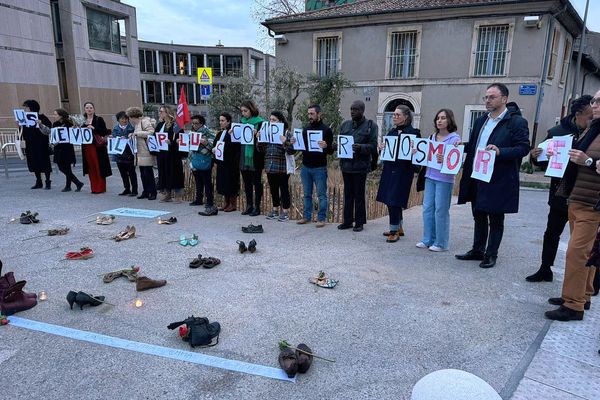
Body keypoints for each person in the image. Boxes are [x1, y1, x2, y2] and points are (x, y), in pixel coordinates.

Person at [456, 83, 530, 268]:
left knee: (496, 217)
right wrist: (459, 146)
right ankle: (477, 249)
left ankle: (491, 254)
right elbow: (474, 145)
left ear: (504, 99)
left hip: (499, 177)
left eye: (492, 97)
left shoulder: (516, 122)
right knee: (478, 213)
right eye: (486, 97)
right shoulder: (482, 120)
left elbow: (523, 148)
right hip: (477, 174)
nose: (487, 100)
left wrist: (500, 151)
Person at [525, 95, 593, 282]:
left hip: (586, 195)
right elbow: (542, 161)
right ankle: (545, 269)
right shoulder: (557, 131)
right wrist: (535, 156)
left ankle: (590, 283)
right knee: (552, 232)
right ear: (578, 114)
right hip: (561, 192)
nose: (592, 119)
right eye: (589, 115)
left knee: (585, 242)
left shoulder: (595, 133)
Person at [545, 91, 600, 321]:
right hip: (577, 198)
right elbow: (576, 157)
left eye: (598, 101)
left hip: (592, 203)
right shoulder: (592, 128)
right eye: (594, 101)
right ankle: (581, 295)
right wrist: (555, 153)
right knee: (585, 253)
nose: (594, 105)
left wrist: (587, 161)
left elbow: (588, 161)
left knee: (577, 253)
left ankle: (573, 305)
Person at [415, 109, 461, 251]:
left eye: (443, 118)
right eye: (438, 118)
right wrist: (416, 152)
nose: (439, 120)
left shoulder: (455, 140)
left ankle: (441, 242)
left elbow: (457, 161)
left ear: (449, 120)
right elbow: (424, 155)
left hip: (445, 179)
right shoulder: (431, 137)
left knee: (440, 210)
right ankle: (427, 239)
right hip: (430, 176)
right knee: (427, 208)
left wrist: (446, 158)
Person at [376, 105, 421, 243]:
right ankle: (398, 227)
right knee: (389, 198)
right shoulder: (391, 132)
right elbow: (386, 153)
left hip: (403, 171)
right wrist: (381, 149)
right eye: (394, 115)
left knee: (394, 200)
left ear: (406, 117)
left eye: (397, 115)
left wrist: (416, 152)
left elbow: (419, 152)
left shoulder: (414, 133)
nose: (394, 117)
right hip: (390, 169)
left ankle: (394, 230)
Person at [338, 100, 378, 232]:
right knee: (348, 194)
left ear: (362, 110)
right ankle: (347, 221)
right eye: (351, 109)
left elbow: (373, 146)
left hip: (360, 166)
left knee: (359, 195)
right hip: (346, 166)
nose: (352, 112)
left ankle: (359, 222)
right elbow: (341, 143)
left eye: (355, 109)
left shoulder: (371, 126)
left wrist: (361, 147)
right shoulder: (345, 125)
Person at [292, 105, 333, 227]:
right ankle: (306, 216)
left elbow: (331, 151)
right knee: (307, 194)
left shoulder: (326, 130)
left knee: (321, 195)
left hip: (320, 167)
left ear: (319, 114)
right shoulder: (306, 129)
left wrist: (326, 146)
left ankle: (321, 218)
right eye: (308, 114)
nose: (309, 116)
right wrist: (295, 142)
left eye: (312, 114)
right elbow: (301, 147)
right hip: (306, 167)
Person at [260, 111, 294, 222]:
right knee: (273, 188)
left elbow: (292, 150)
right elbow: (260, 149)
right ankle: (275, 209)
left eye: (274, 120)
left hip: (282, 166)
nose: (271, 122)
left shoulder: (287, 133)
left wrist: (285, 142)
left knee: (283, 188)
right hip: (270, 165)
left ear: (280, 121)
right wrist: (259, 139)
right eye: (270, 120)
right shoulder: (267, 132)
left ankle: (285, 211)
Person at [239, 100, 265, 216]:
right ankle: (249, 205)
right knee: (247, 183)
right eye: (242, 111)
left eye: (245, 111)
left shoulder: (260, 123)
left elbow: (264, 141)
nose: (243, 113)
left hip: (255, 157)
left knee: (256, 182)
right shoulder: (242, 122)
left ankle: (257, 207)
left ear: (251, 110)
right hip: (244, 156)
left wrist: (258, 135)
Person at [188, 115, 217, 216]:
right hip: (195, 158)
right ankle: (198, 199)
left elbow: (214, 142)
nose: (194, 125)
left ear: (201, 123)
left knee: (207, 181)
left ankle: (209, 201)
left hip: (205, 158)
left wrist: (206, 142)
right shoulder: (192, 132)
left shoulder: (207, 131)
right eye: (193, 123)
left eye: (196, 123)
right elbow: (188, 143)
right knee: (197, 180)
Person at [20, 100, 52, 189]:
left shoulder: (42, 117)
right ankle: (38, 181)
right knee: (33, 162)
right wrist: (20, 124)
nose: (25, 109)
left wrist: (40, 123)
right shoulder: (25, 118)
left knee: (45, 162)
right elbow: (23, 131)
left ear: (31, 108)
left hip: (41, 144)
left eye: (26, 107)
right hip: (30, 144)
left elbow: (49, 128)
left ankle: (48, 181)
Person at [126, 107, 157, 200]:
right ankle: (146, 191)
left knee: (148, 173)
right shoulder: (137, 124)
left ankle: (152, 192)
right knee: (143, 173)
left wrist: (137, 133)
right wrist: (133, 134)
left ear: (132, 116)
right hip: (140, 151)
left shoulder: (144, 122)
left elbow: (151, 132)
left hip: (146, 150)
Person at [156, 105, 184, 203]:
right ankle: (167, 194)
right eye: (160, 111)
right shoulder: (160, 125)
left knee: (174, 173)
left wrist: (172, 143)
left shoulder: (175, 125)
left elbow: (181, 139)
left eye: (162, 111)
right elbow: (156, 136)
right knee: (164, 173)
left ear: (167, 113)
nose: (160, 113)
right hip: (162, 153)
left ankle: (178, 195)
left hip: (173, 154)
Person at [82, 101, 112, 194]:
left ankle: (100, 187)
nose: (89, 109)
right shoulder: (82, 120)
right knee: (91, 167)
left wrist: (94, 128)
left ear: (94, 109)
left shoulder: (99, 119)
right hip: (87, 146)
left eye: (91, 107)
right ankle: (94, 187)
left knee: (98, 166)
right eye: (87, 108)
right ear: (84, 109)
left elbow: (104, 131)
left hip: (97, 147)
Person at [51, 108, 84, 192]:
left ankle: (69, 186)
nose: (54, 116)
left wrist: (74, 125)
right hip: (58, 147)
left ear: (61, 115)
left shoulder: (69, 123)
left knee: (67, 167)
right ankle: (77, 183)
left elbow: (77, 128)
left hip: (67, 147)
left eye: (56, 114)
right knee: (61, 167)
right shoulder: (55, 124)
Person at [214, 112, 241, 212]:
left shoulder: (233, 132)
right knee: (223, 182)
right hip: (222, 162)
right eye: (220, 120)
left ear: (228, 121)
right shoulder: (220, 133)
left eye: (223, 120)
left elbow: (235, 147)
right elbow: (216, 144)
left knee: (231, 182)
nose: (220, 122)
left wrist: (230, 136)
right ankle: (226, 202)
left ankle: (233, 204)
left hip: (231, 162)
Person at [111, 111, 137, 196]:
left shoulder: (131, 128)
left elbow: (134, 139)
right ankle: (127, 188)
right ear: (118, 120)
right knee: (123, 174)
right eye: (122, 118)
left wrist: (126, 137)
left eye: (126, 118)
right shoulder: (115, 128)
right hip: (119, 155)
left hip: (129, 154)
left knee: (132, 173)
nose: (124, 120)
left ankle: (134, 190)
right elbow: (114, 140)